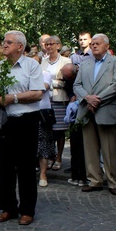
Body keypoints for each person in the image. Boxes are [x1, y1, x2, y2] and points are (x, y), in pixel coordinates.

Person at [0, 31, 45, 226]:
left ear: (20, 47)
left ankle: (27, 210)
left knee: (26, 167)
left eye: (9, 42)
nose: (4, 45)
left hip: (26, 121)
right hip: (4, 121)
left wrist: (12, 98)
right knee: (4, 167)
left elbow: (38, 93)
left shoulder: (32, 65)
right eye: (4, 42)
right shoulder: (0, 66)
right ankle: (8, 208)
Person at [73, 34, 116, 195]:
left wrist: (97, 100)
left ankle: (113, 182)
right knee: (90, 148)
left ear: (107, 46)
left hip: (105, 109)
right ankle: (94, 180)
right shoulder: (85, 63)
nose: (94, 46)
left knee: (110, 149)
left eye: (97, 44)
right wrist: (87, 98)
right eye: (92, 43)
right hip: (87, 110)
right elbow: (77, 85)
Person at [41, 36, 72, 170]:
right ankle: (49, 156)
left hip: (60, 99)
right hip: (46, 100)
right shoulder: (43, 61)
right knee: (48, 130)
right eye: (46, 44)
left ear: (58, 46)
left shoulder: (66, 61)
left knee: (59, 130)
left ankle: (59, 157)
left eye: (51, 44)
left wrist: (51, 84)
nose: (48, 47)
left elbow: (68, 81)